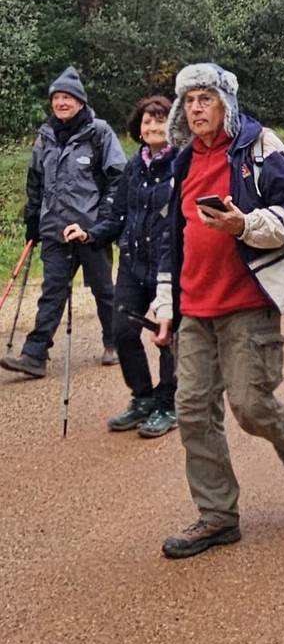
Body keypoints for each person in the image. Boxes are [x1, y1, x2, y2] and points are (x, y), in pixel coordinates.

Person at [151, 63, 284, 559]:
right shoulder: (182, 161)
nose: (195, 107)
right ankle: (217, 516)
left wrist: (243, 224)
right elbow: (173, 237)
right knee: (192, 410)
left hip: (248, 303)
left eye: (205, 97)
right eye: (189, 100)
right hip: (195, 308)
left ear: (226, 101)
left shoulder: (258, 147)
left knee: (250, 405)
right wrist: (166, 303)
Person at [1, 67, 126, 379]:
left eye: (67, 97)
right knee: (52, 290)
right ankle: (34, 355)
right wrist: (32, 217)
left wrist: (104, 221)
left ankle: (115, 344)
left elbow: (118, 177)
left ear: (80, 102)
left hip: (91, 230)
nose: (61, 102)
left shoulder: (99, 133)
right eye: (57, 97)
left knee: (103, 290)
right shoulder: (44, 137)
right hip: (55, 229)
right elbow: (35, 182)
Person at [64, 95, 177, 437]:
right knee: (123, 331)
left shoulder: (182, 166)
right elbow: (117, 215)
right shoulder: (134, 166)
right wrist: (90, 234)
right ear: (138, 129)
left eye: (160, 120)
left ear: (173, 126)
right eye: (147, 121)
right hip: (132, 262)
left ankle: (168, 404)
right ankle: (142, 397)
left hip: (168, 265)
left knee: (167, 336)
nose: (153, 126)